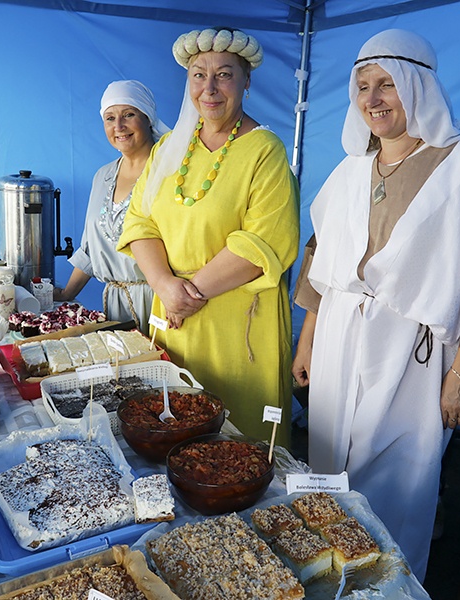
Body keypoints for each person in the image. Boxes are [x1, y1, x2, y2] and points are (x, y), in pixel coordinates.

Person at [291, 29, 460, 580]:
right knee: (328, 465)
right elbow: (319, 261)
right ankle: (332, 579)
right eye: (362, 87)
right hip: (336, 342)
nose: (373, 99)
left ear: (419, 88)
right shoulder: (351, 169)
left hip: (412, 351)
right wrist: (307, 342)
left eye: (386, 85)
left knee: (397, 483)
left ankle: (388, 586)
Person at [117, 27, 299, 444]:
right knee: (172, 431)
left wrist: (187, 294)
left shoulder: (264, 150)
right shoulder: (170, 148)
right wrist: (165, 284)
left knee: (237, 450)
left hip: (236, 330)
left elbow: (262, 244)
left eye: (225, 74)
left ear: (247, 81)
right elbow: (140, 221)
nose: (210, 88)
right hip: (175, 322)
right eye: (199, 75)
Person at [54, 80, 169, 333]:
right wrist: (65, 294)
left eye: (129, 114)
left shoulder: (168, 173)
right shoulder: (102, 176)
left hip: (163, 304)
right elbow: (90, 249)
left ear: (147, 118)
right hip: (116, 308)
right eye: (109, 118)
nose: (118, 126)